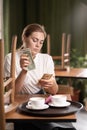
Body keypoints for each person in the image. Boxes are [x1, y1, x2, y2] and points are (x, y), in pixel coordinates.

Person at [4, 23, 76, 130]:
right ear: (24, 38)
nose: (38, 45)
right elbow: (11, 93)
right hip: (19, 103)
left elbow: (54, 91)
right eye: (34, 40)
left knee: (65, 127)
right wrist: (24, 71)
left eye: (41, 42)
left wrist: (50, 85)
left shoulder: (46, 58)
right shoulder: (11, 58)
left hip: (42, 102)